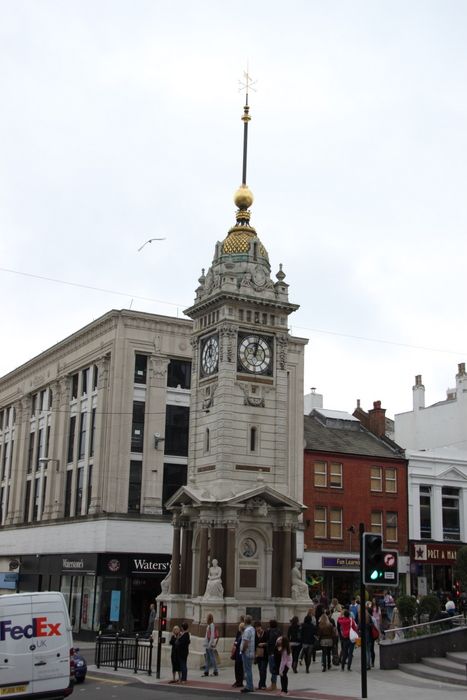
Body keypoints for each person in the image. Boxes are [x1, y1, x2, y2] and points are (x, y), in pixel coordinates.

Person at [240, 614, 255, 693]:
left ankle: (249, 686)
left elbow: (245, 642)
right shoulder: (252, 629)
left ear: (245, 621)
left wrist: (242, 650)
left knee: (247, 670)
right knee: (249, 670)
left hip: (246, 652)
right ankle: (250, 685)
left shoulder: (247, 630)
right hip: (251, 652)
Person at [264, 619, 281, 691]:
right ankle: (274, 684)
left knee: (272, 669)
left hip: (271, 652)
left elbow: (267, 641)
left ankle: (273, 685)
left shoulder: (269, 631)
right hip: (277, 652)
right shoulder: (279, 631)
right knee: (275, 668)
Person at [254, 620, 268, 690]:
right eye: (256, 628)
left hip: (265, 654)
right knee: (260, 669)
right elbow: (254, 644)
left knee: (263, 669)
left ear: (260, 627)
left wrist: (263, 644)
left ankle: (262, 684)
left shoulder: (265, 633)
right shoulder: (255, 634)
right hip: (258, 654)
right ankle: (262, 684)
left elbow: (269, 643)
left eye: (258, 628)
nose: (257, 630)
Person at [232, 622, 245, 688]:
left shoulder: (243, 635)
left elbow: (239, 643)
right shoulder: (239, 634)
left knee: (239, 668)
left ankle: (239, 682)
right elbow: (236, 641)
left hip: (240, 654)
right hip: (238, 654)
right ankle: (238, 681)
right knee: (237, 668)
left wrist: (236, 644)